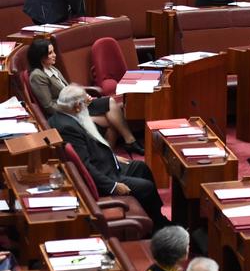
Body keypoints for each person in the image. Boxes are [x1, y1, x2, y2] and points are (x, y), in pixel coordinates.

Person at [50, 85, 168, 229]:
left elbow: (91, 148)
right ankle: (157, 228)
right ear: (77, 107)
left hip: (106, 164)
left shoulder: (63, 117)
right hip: (106, 176)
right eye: (86, 104)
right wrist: (113, 186)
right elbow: (84, 166)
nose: (89, 106)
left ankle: (158, 217)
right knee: (146, 188)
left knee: (141, 167)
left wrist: (113, 157)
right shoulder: (67, 128)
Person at [27, 39, 143, 155]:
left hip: (77, 105)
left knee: (110, 102)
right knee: (110, 121)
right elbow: (48, 106)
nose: (54, 55)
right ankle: (109, 157)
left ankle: (130, 141)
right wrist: (75, 105)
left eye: (53, 51)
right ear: (41, 56)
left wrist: (82, 96)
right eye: (50, 53)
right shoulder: (37, 76)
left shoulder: (52, 68)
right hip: (67, 111)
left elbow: (67, 90)